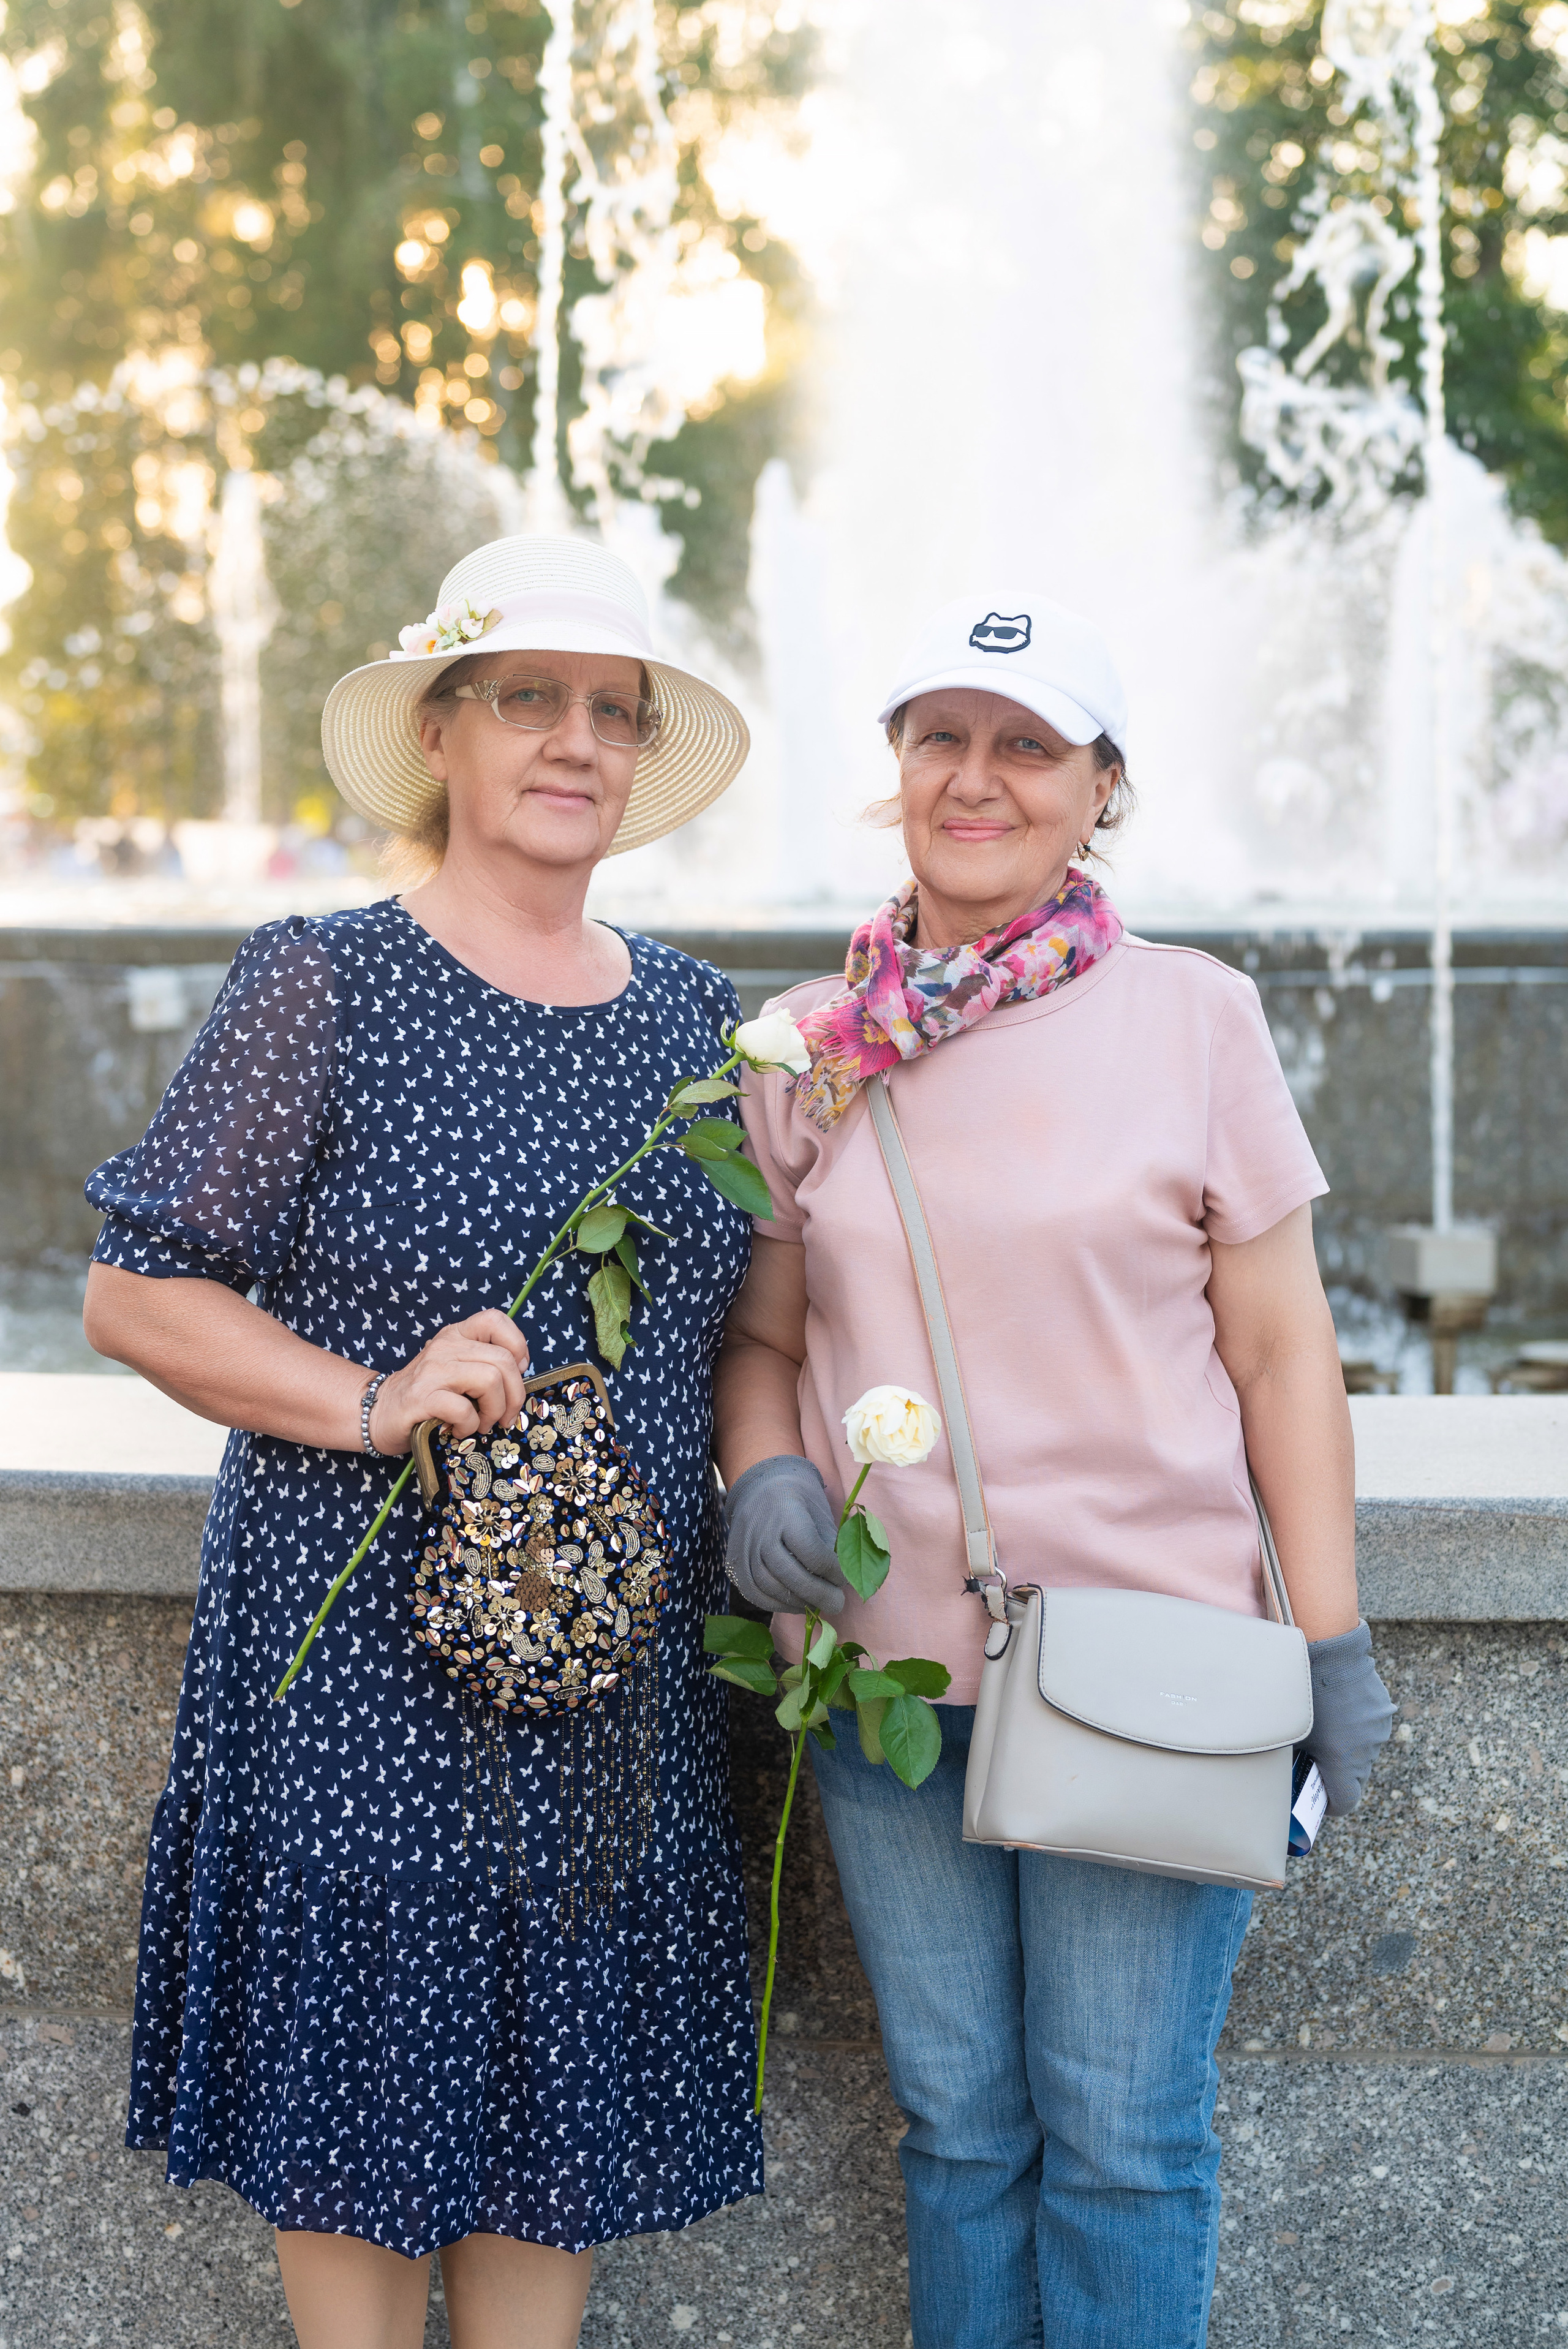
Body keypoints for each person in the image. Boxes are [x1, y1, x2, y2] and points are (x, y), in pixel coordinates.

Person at [83, 534, 762, 2349]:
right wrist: (370, 1399)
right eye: (529, 699)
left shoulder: (706, 1029)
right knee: (357, 2131)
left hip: (608, 1684)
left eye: (610, 712)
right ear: (443, 733)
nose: (575, 740)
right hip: (363, 1663)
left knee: (559, 2130)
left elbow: (755, 1329)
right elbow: (140, 1292)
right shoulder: (328, 982)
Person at [714, 592, 1393, 2349]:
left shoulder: (1198, 1017)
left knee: (1121, 2138)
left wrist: (1328, 1638)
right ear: (896, 772)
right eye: (941, 735)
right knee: (960, 2134)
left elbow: (1279, 1351)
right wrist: (760, 1481)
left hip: (1142, 1665)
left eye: (1026, 742)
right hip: (881, 1679)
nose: (978, 776)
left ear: (1101, 785)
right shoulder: (810, 1046)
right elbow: (769, 1340)